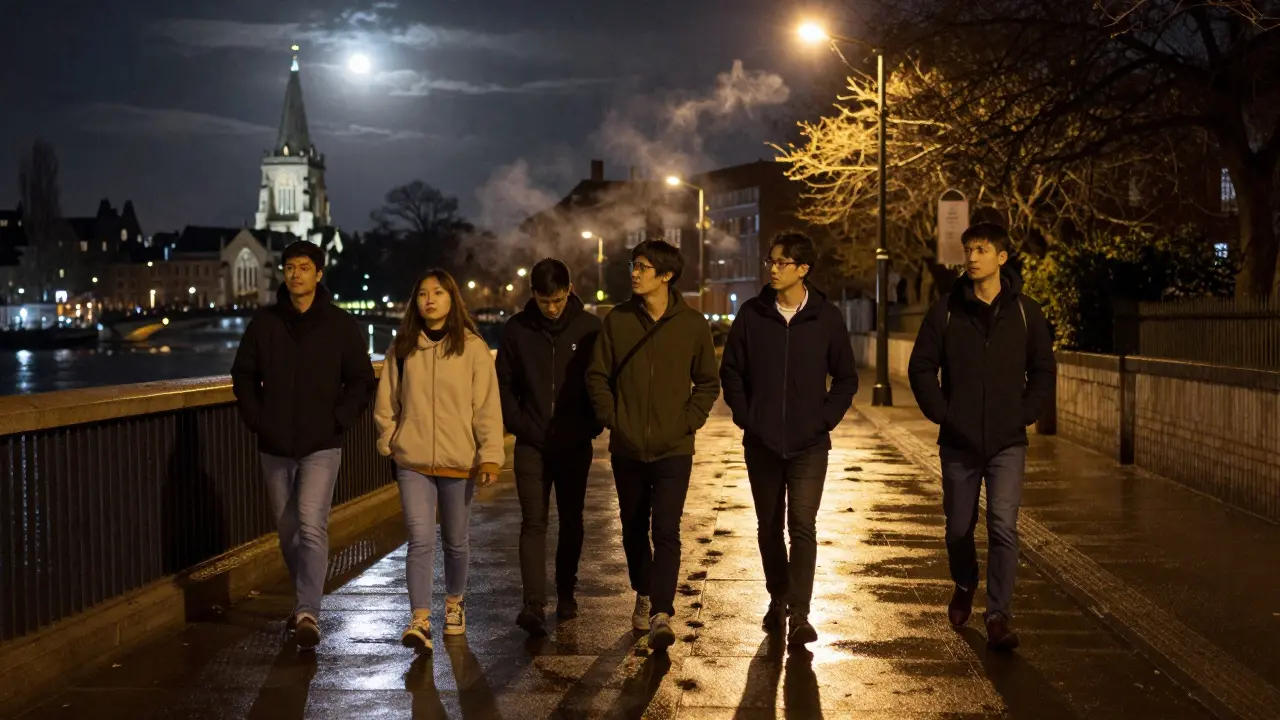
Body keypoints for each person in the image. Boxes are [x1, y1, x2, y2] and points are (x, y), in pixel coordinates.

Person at [907, 222, 1056, 651]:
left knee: (1004, 527)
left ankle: (998, 615)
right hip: (959, 440)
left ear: (1002, 258)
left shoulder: (1026, 311)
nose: (971, 257)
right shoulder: (947, 310)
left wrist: (1025, 414)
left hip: (1008, 442)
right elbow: (922, 367)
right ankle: (965, 581)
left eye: (981, 249)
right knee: (957, 529)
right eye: (968, 249)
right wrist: (944, 414)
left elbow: (1043, 371)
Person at [231, 240, 374, 651]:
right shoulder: (264, 324)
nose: (296, 274)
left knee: (312, 524)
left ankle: (309, 611)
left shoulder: (341, 326)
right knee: (288, 530)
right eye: (290, 267)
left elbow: (361, 380)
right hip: (274, 443)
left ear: (318, 274)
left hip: (321, 444)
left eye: (304, 267)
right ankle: (302, 602)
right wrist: (257, 420)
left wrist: (339, 420)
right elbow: (242, 374)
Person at [719, 231, 859, 649]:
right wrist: (747, 418)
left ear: (803, 269)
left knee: (802, 525)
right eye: (771, 261)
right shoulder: (752, 314)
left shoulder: (826, 317)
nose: (774, 268)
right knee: (767, 528)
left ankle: (800, 612)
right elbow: (732, 372)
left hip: (809, 445)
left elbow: (846, 378)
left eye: (782, 262)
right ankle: (777, 597)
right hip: (761, 443)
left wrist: (823, 420)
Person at [585, 239, 720, 651]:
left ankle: (661, 610)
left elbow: (708, 383)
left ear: (666, 275)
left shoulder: (693, 324)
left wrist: (687, 422)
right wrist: (614, 420)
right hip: (627, 447)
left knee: (666, 529)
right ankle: (643, 591)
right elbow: (597, 376)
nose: (634, 273)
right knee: (631, 528)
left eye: (643, 267)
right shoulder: (618, 320)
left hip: (674, 449)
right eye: (633, 265)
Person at [373, 269, 504, 655]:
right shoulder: (402, 349)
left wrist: (490, 455)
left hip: (458, 460)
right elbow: (387, 403)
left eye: (438, 293)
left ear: (452, 299)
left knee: (456, 541)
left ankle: (454, 602)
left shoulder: (473, 348)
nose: (430, 299)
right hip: (412, 460)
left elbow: (486, 407)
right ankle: (419, 618)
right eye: (423, 294)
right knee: (420, 538)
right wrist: (390, 440)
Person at [495, 258, 603, 636]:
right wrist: (520, 424)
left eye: (557, 300)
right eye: (545, 301)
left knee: (571, 520)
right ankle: (534, 603)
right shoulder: (517, 330)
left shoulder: (590, 328)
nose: (552, 308)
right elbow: (504, 384)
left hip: (574, 442)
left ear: (570, 290)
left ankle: (567, 591)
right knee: (534, 521)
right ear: (533, 296)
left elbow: (603, 380)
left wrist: (590, 425)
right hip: (531, 443)